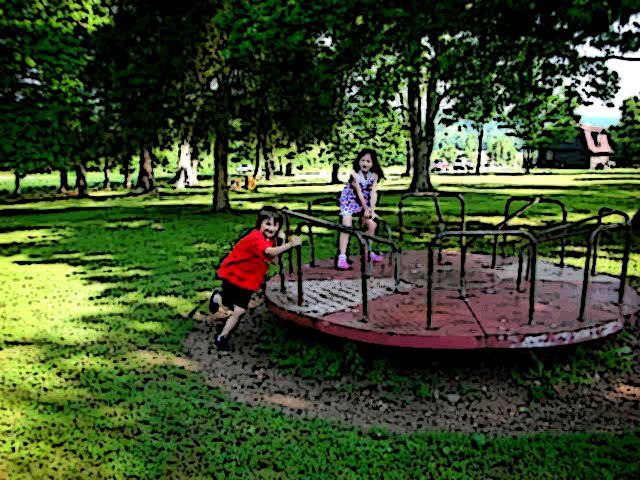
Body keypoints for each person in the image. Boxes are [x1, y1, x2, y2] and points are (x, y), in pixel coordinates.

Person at [210, 206, 302, 351]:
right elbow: (268, 252)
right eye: (267, 224)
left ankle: (222, 337)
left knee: (239, 311)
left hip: (248, 281)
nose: (271, 228)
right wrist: (290, 245)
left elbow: (274, 260)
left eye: (275, 225)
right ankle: (219, 297)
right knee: (229, 305)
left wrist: (281, 243)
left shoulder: (269, 240)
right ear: (259, 223)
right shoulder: (256, 237)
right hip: (234, 275)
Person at [336, 148, 386, 270]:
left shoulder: (374, 176)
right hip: (350, 200)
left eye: (368, 161)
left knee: (371, 224)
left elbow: (373, 193)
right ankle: (342, 257)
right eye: (363, 160)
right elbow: (358, 192)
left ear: (373, 163)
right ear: (358, 161)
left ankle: (368, 251)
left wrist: (371, 210)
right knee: (346, 226)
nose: (365, 163)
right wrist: (366, 209)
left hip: (364, 202)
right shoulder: (354, 175)